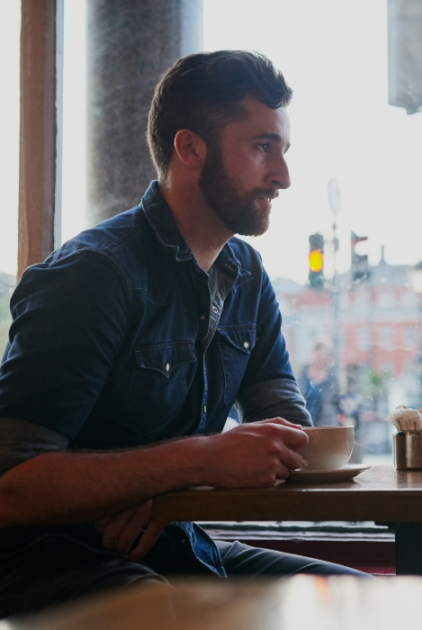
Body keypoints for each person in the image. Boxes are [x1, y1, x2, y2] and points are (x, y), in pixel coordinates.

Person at [0, 50, 366, 619]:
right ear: (190, 148)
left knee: (366, 601)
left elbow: (286, 429)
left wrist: (163, 492)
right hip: (47, 560)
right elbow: (10, 484)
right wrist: (193, 462)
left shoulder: (246, 273)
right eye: (262, 146)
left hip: (174, 543)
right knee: (169, 614)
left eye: (283, 150)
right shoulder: (93, 276)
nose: (283, 176)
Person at [297, 341, 341, 426]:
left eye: (323, 353)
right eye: (316, 351)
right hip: (304, 422)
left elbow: (337, 403)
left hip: (326, 424)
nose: (319, 356)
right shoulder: (302, 375)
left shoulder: (332, 377)